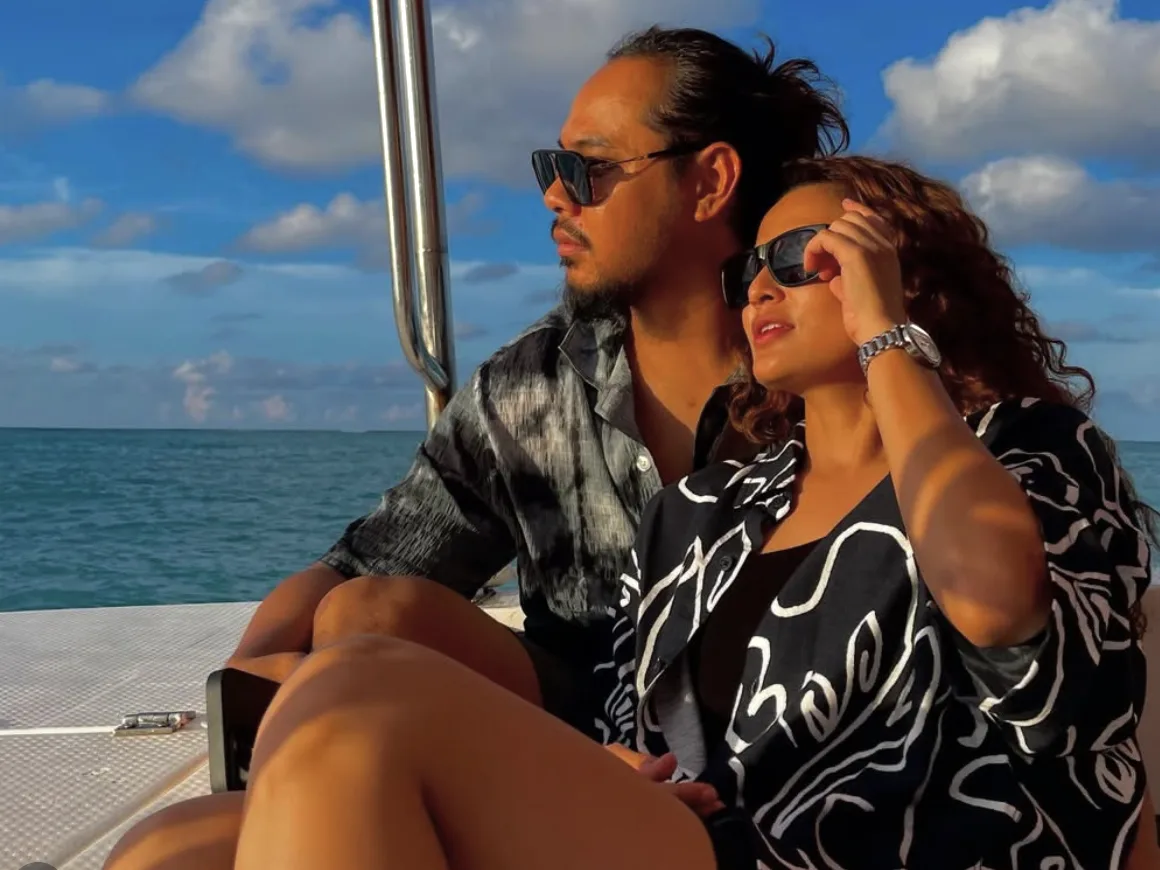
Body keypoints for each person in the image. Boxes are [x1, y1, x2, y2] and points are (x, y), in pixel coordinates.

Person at [105, 157, 1158, 869]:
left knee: (366, 692)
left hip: (883, 847)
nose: (758, 287)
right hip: (681, 835)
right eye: (748, 268)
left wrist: (884, 332)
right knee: (171, 850)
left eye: (803, 258)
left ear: (903, 273)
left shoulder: (1025, 449)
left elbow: (998, 611)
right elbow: (630, 722)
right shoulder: (704, 510)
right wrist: (614, 767)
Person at [224, 25, 848, 741]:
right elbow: (365, 565)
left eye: (590, 168)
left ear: (709, 182)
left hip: (780, 727)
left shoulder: (827, 363)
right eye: (553, 166)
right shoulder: (528, 387)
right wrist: (245, 675)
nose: (555, 195)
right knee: (366, 615)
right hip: (572, 736)